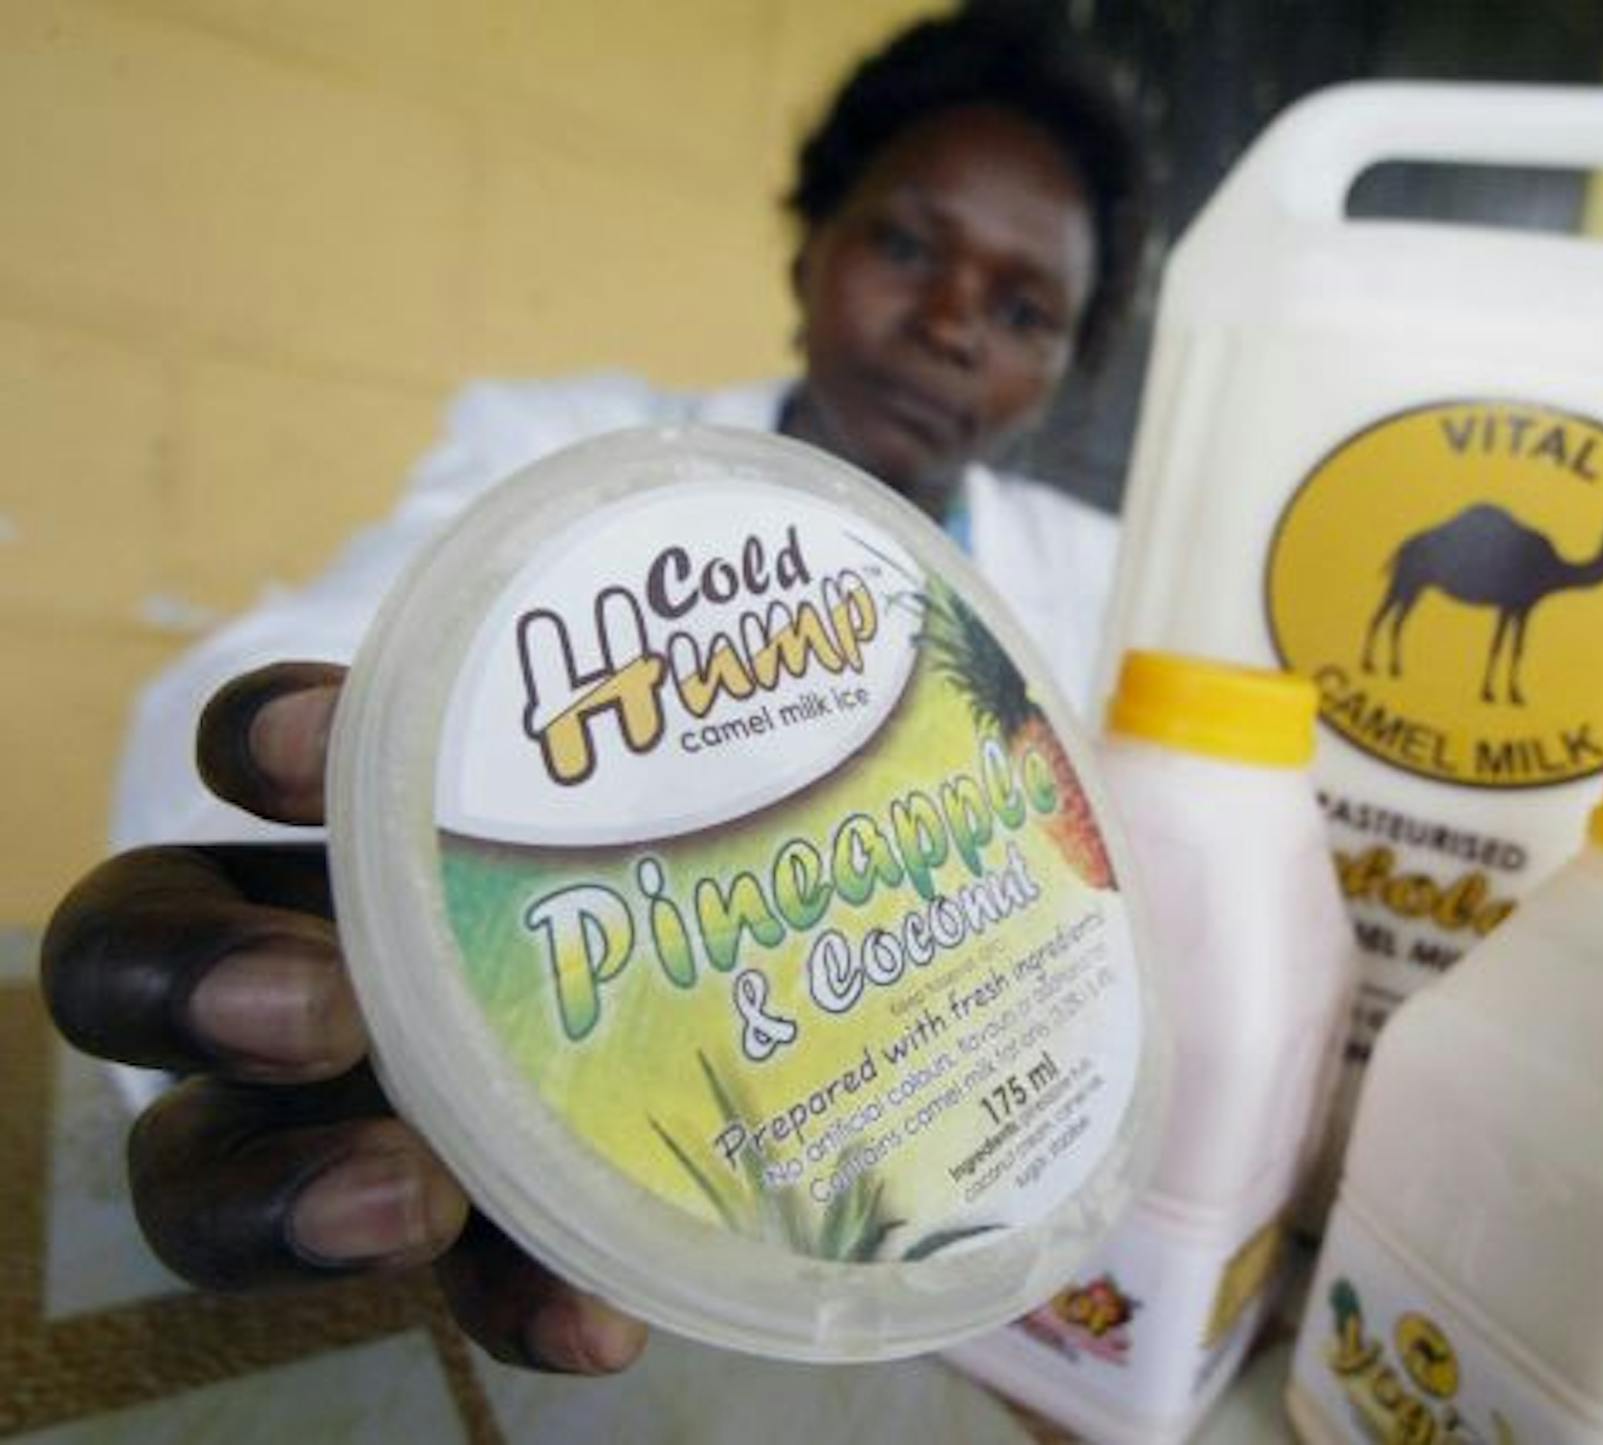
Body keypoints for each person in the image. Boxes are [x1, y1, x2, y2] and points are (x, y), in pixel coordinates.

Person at [43, 7, 1149, 1377]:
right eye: (907, 244)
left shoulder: (1097, 592)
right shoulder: (555, 454)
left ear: (1065, 372)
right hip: (567, 1243)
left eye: (1022, 307)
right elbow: (295, 660)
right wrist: (362, 829)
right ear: (811, 243)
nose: (945, 325)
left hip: (920, 1286)